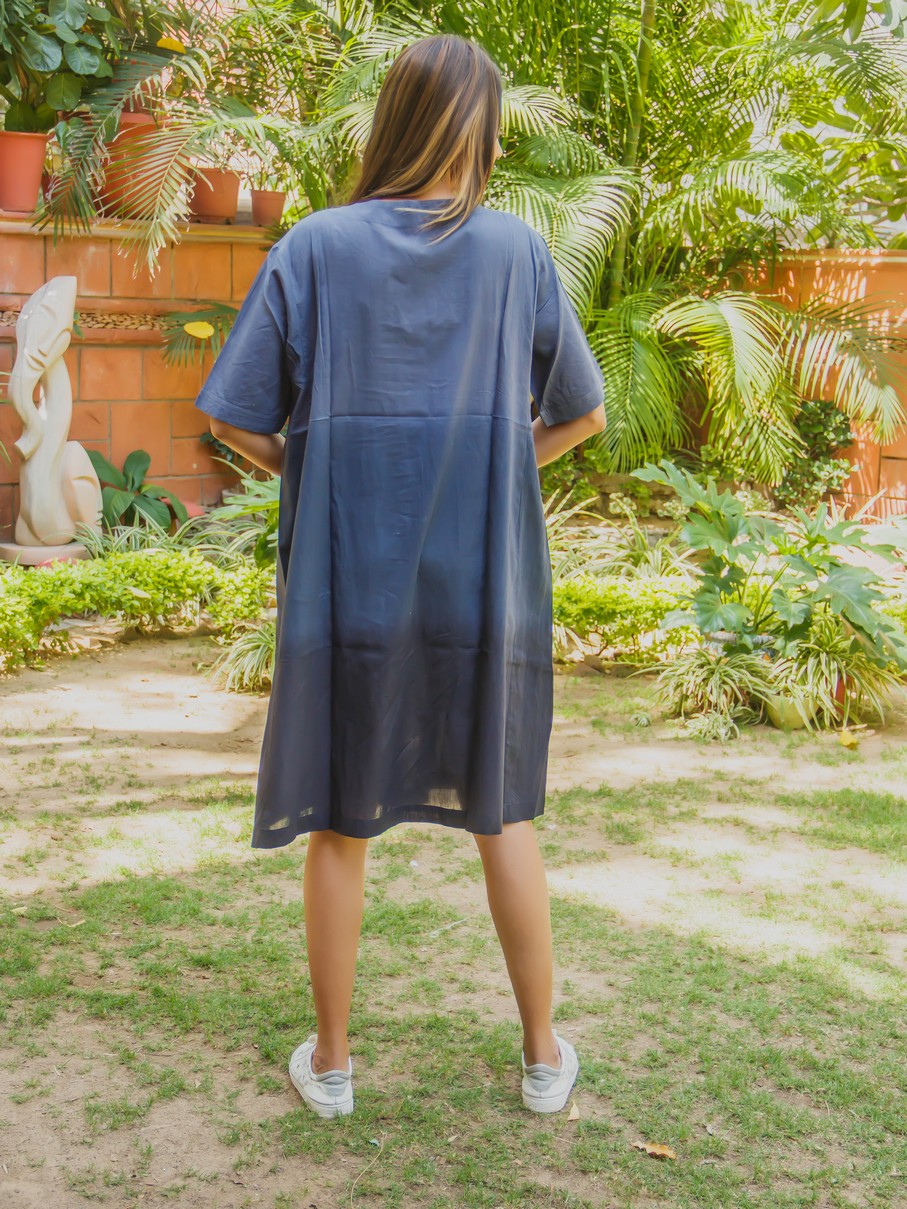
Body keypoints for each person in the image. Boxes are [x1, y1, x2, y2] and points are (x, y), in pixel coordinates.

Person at [194, 33, 606, 1120]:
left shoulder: (316, 246)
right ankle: (541, 1055)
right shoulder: (516, 252)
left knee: (341, 815)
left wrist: (315, 470)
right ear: (479, 133)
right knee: (500, 812)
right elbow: (581, 414)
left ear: (392, 123)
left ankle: (331, 1065)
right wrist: (489, 465)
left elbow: (230, 415)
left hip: (349, 584)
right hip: (482, 582)